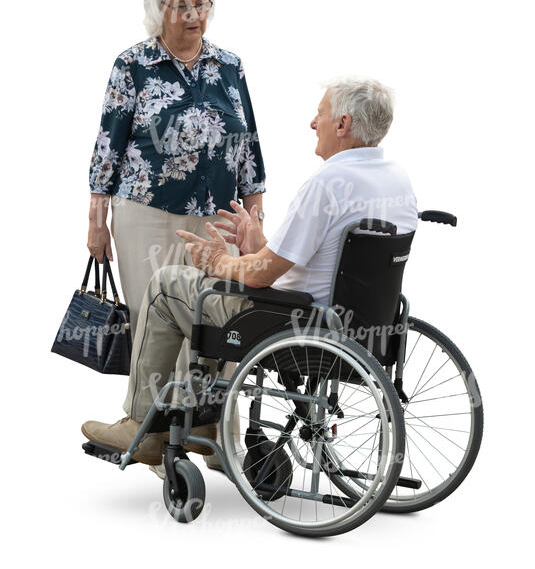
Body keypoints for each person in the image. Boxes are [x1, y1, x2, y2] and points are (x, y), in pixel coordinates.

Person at [81, 77, 418, 468]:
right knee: (209, 296)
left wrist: (219, 261)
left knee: (168, 286)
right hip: (362, 328)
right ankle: (206, 424)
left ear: (342, 125)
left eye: (321, 114)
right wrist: (257, 245)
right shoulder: (397, 180)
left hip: (290, 323)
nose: (313, 123)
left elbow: (260, 276)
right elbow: (310, 262)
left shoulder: (327, 184)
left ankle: (142, 426)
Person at [87, 0, 266, 340]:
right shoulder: (132, 65)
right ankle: (153, 403)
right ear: (158, 8)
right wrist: (96, 224)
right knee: (156, 326)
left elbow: (248, 146)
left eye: (200, 4)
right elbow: (107, 151)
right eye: (181, 6)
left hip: (218, 220)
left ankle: (214, 404)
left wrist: (256, 221)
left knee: (220, 325)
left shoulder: (229, 66)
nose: (193, 15)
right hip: (147, 216)